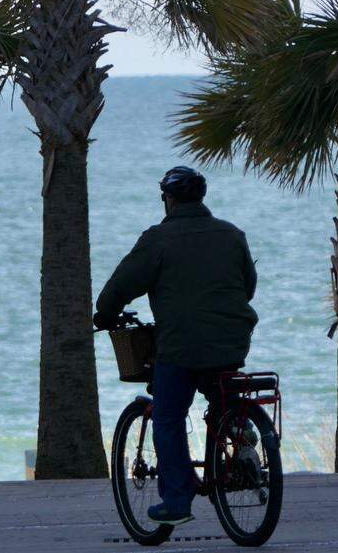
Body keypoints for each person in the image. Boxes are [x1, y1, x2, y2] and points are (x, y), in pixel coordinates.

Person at [94, 166, 258, 525]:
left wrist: (104, 316)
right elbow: (248, 285)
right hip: (232, 342)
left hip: (181, 346)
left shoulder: (158, 239)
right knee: (220, 393)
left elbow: (121, 285)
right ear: (200, 197)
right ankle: (239, 435)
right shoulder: (232, 234)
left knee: (167, 418)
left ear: (167, 200)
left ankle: (177, 502)